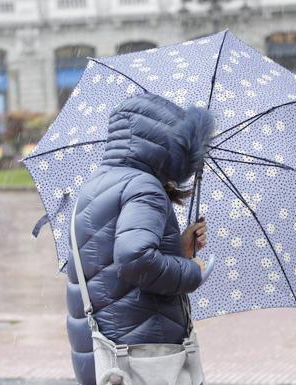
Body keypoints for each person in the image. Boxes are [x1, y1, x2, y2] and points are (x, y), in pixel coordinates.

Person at [67, 93, 213, 385]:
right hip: (144, 354)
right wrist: (192, 271)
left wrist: (177, 249)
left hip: (106, 352)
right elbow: (136, 260)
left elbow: (109, 267)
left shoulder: (97, 184)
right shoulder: (144, 187)